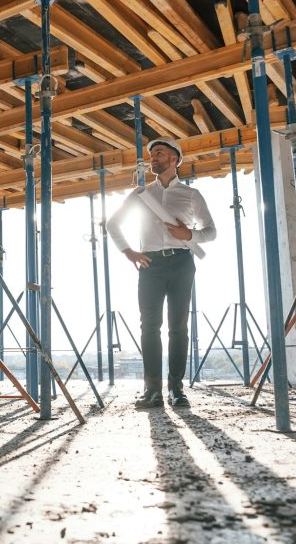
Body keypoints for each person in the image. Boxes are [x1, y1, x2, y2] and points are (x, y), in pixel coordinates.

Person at [106, 137, 216, 408]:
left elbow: (211, 231)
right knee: (149, 328)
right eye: (152, 154)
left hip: (181, 263)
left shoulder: (191, 195)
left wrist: (188, 233)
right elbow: (112, 224)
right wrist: (128, 251)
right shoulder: (141, 194)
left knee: (178, 327)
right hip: (150, 265)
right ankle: (152, 390)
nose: (153, 158)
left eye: (159, 153)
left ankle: (176, 390)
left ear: (175, 159)